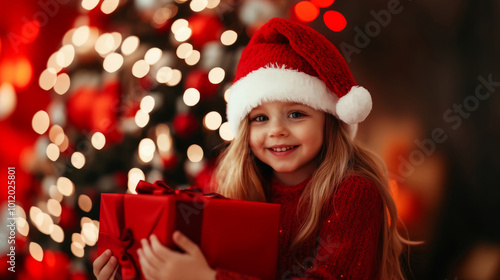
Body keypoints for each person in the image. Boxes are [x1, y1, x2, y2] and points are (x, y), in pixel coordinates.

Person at [94, 17, 409, 280]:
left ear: (329, 120)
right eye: (260, 118)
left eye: (296, 113)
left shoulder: (354, 193)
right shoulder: (239, 191)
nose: (276, 130)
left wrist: (207, 278)